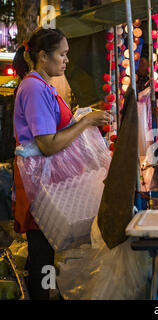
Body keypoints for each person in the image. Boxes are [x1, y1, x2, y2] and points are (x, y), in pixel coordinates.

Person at [12, 28, 111, 299]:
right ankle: (42, 296)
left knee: (47, 250)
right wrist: (86, 122)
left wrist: (83, 117)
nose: (66, 60)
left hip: (49, 183)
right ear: (43, 56)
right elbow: (48, 144)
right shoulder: (33, 87)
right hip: (39, 186)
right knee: (42, 253)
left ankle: (47, 292)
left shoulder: (45, 86)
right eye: (62, 54)